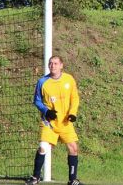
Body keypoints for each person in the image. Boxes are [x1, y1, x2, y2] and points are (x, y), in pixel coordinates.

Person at [26, 56, 82, 185]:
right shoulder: (42, 82)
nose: (53, 66)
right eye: (50, 63)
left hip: (65, 122)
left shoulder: (69, 79)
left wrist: (72, 113)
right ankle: (35, 178)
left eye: (55, 63)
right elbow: (37, 101)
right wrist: (47, 111)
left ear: (61, 65)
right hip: (49, 122)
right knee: (43, 147)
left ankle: (73, 180)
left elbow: (75, 98)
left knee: (73, 148)